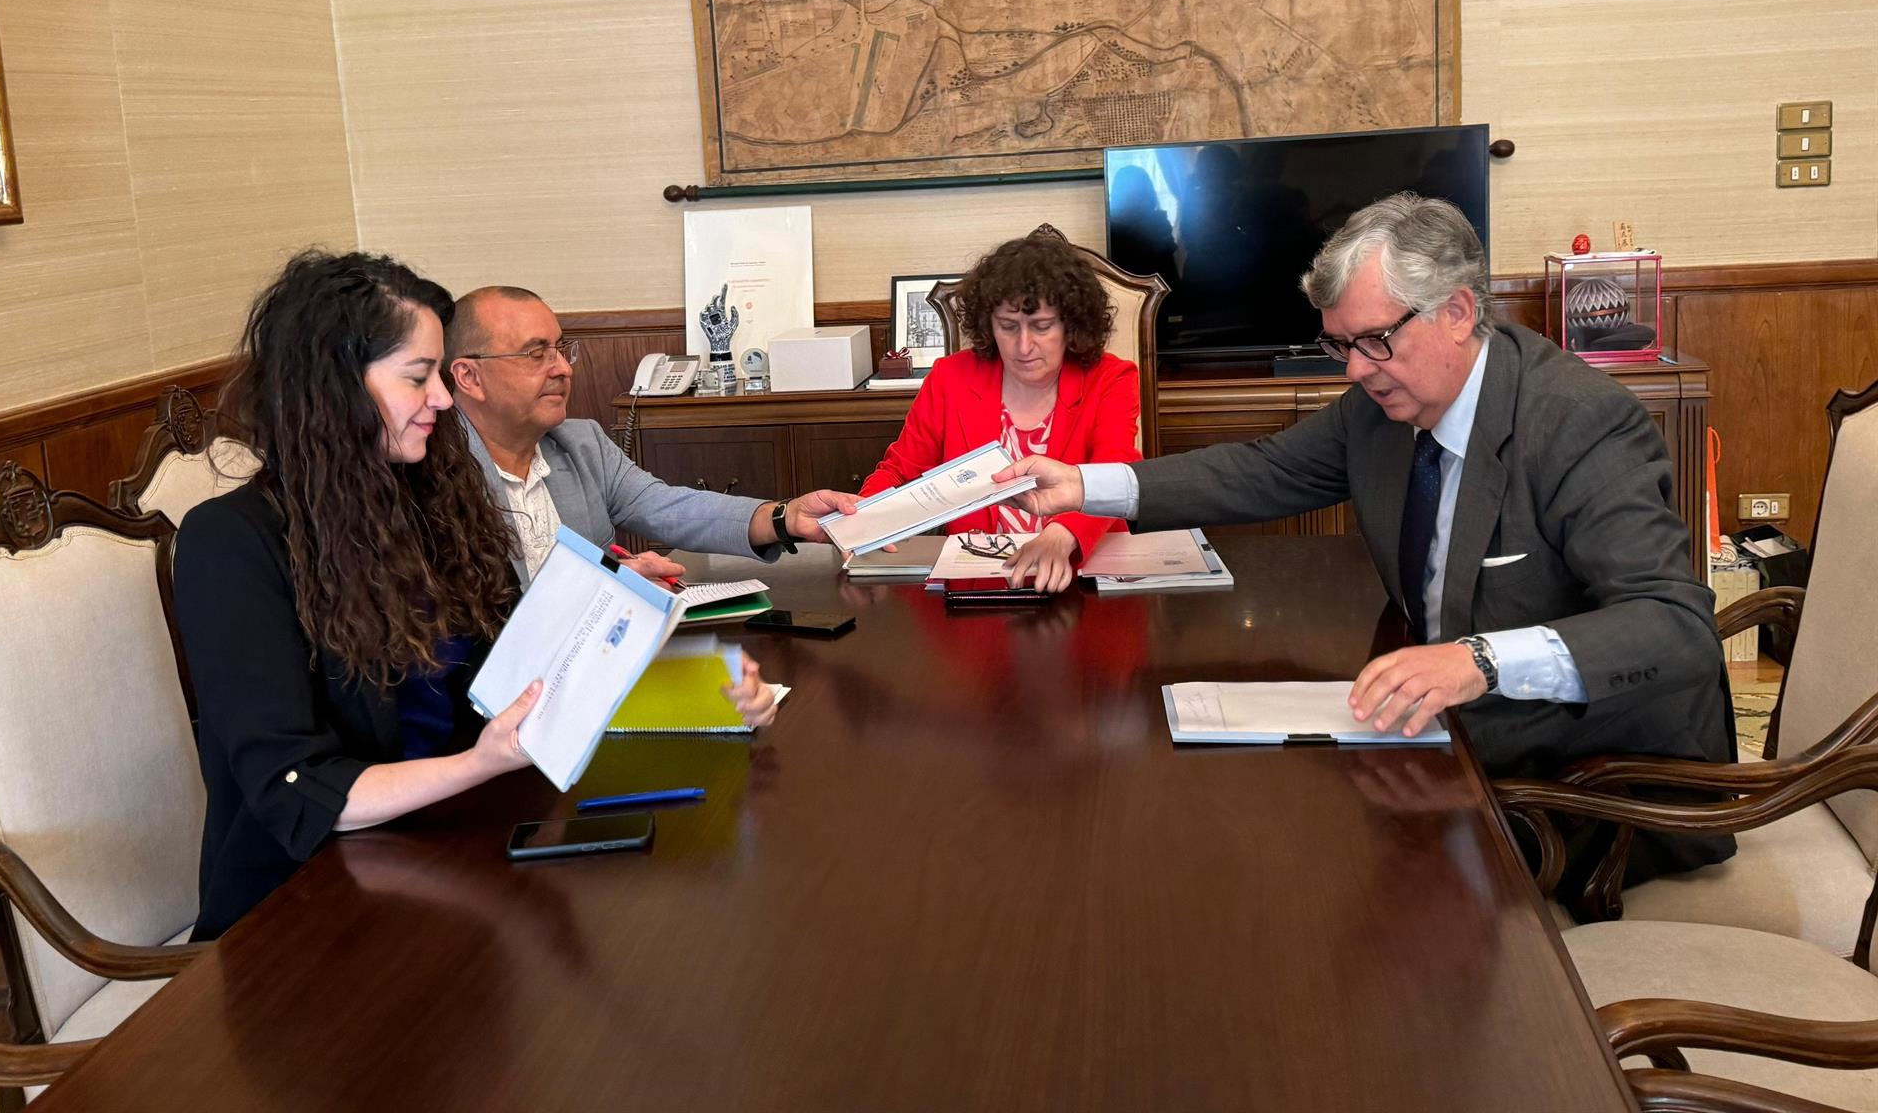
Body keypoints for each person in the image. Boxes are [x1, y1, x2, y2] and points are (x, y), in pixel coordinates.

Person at [999, 193, 1735, 882]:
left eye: (1374, 340)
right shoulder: (1379, 410)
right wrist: (1087, 484)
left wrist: (1477, 661)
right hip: (1453, 749)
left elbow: (1673, 627)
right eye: (1341, 345)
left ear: (1457, 311)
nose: (1355, 369)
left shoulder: (1577, 422)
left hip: (1591, 788)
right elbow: (1261, 472)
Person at [173, 252, 777, 936]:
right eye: (417, 377)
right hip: (304, 908)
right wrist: (479, 762)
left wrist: (706, 693)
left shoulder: (431, 500)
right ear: (333, 388)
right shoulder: (230, 544)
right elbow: (298, 792)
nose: (439, 398)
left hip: (456, 852)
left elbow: (519, 677)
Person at [444, 285, 857, 586]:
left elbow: (669, 507)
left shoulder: (580, 444)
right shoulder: (434, 475)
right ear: (469, 376)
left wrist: (784, 518)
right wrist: (608, 584)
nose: (563, 369)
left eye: (560, 349)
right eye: (537, 354)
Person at [860, 231, 1142, 592]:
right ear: (988, 325)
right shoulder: (950, 378)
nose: (1024, 346)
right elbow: (900, 470)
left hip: (1082, 577)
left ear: (1070, 325)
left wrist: (1063, 534)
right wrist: (862, 518)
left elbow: (1114, 471)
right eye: (1008, 327)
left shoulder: (1111, 378)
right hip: (976, 584)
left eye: (1041, 326)